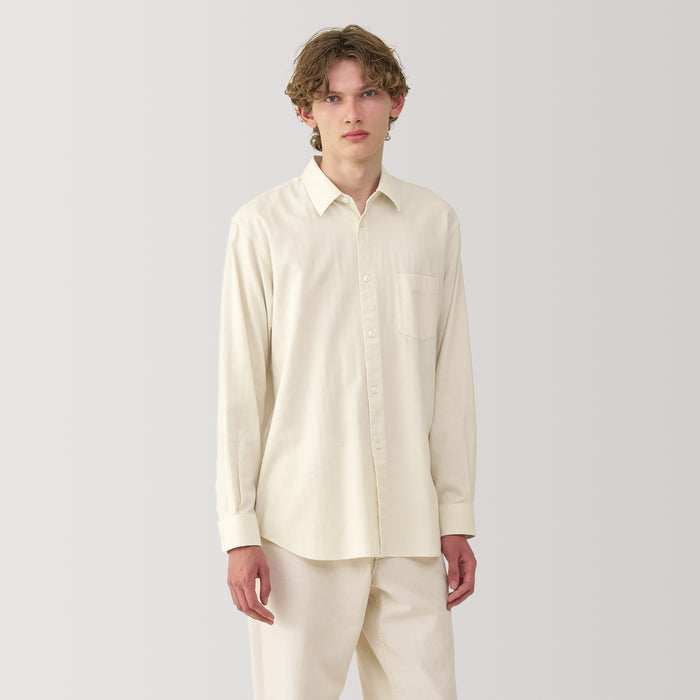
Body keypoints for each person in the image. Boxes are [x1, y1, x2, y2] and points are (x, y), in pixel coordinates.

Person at [215, 23, 478, 700]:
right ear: (306, 111)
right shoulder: (262, 228)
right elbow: (241, 389)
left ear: (397, 103)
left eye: (368, 94)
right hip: (300, 537)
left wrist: (455, 516)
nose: (352, 112)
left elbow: (451, 380)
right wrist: (239, 531)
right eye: (332, 98)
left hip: (410, 533)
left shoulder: (433, 222)